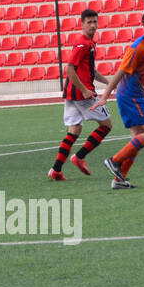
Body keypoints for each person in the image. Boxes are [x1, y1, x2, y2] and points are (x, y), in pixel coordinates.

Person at [96, 10, 144, 189]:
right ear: (143, 26)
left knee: (138, 137)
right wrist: (105, 96)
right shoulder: (137, 48)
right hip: (130, 96)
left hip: (135, 95)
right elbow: (120, 72)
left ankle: (119, 180)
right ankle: (114, 160)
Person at [48, 9, 111, 180]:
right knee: (106, 125)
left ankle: (56, 170)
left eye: (95, 22)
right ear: (82, 24)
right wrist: (84, 89)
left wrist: (108, 82)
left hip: (71, 94)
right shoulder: (82, 44)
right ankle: (80, 157)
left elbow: (90, 70)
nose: (93, 25)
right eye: (89, 22)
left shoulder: (89, 43)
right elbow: (69, 69)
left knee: (74, 130)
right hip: (82, 95)